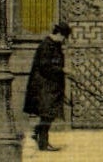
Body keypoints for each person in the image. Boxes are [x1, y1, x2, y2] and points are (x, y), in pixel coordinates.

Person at [23, 21, 72, 151]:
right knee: (47, 115)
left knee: (48, 115)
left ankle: (38, 134)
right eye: (64, 37)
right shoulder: (46, 46)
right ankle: (43, 144)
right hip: (44, 87)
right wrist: (62, 70)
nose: (64, 41)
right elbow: (45, 67)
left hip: (50, 87)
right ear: (59, 34)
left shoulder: (52, 45)